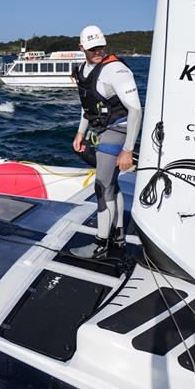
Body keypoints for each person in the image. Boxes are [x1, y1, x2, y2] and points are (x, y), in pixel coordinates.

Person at [71, 26, 142, 259]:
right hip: (102, 129)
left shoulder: (116, 70)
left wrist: (128, 150)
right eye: (92, 48)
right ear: (82, 48)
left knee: (101, 187)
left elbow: (135, 110)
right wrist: (80, 133)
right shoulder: (83, 70)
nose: (97, 51)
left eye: (100, 46)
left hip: (119, 129)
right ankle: (119, 235)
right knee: (111, 185)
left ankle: (101, 245)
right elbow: (87, 107)